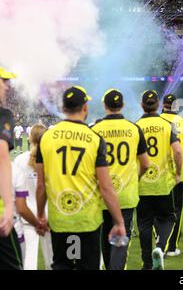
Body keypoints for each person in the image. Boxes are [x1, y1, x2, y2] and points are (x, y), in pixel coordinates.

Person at [36, 86, 126, 270]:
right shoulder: (94, 139)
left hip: (60, 218)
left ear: (63, 108)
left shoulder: (46, 137)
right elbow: (106, 187)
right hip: (87, 220)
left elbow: (41, 185)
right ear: (85, 108)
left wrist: (40, 216)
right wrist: (119, 221)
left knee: (62, 266)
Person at [91, 89, 149, 270]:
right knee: (120, 238)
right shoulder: (134, 129)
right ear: (122, 105)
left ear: (104, 106)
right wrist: (135, 178)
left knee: (105, 236)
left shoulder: (93, 130)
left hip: (101, 194)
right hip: (125, 194)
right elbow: (146, 164)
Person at [136, 90, 183, 270]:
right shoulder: (167, 124)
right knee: (168, 218)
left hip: (141, 183)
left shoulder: (136, 126)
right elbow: (178, 151)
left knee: (144, 224)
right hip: (163, 183)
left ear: (142, 105)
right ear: (157, 105)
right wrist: (178, 173)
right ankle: (160, 247)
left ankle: (147, 263)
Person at [160, 94, 183, 257]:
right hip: (178, 173)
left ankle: (160, 241)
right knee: (177, 210)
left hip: (157, 174)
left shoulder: (155, 121)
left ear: (163, 104)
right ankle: (172, 246)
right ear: (176, 105)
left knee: (157, 209)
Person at [13, 124, 53, 270]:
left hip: (27, 216)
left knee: (28, 262)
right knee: (53, 262)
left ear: (29, 138)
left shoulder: (19, 160)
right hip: (49, 216)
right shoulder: (52, 158)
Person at [0, 68, 22, 270]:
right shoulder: (3, 114)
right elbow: (2, 156)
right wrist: (8, 205)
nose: (7, 86)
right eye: (3, 81)